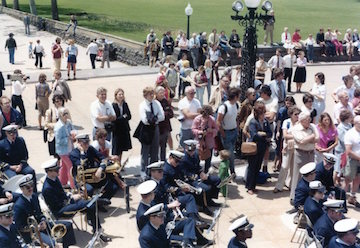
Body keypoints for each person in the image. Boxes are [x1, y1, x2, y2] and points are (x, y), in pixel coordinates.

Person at [41, 158, 112, 242]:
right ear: (49, 171)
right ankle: (97, 203)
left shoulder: (54, 178)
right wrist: (72, 198)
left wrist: (72, 195)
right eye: (56, 170)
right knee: (89, 204)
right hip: (60, 210)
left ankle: (97, 230)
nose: (58, 171)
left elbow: (62, 193)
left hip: (66, 203)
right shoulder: (47, 188)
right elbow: (58, 205)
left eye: (58, 169)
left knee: (90, 205)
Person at [14, 174, 76, 247]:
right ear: (22, 189)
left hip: (42, 225)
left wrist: (43, 220)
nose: (31, 188)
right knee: (52, 244)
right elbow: (19, 227)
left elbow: (39, 213)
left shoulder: (34, 196)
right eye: (27, 187)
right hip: (32, 233)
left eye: (31, 185)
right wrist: (36, 228)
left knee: (67, 225)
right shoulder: (19, 206)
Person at [291, 112, 319, 202]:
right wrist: (312, 137)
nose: (309, 120)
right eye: (307, 119)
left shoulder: (313, 126)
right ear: (302, 120)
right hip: (301, 154)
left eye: (309, 118)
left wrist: (309, 139)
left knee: (310, 176)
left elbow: (317, 138)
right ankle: (294, 197)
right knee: (298, 176)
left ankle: (308, 196)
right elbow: (301, 141)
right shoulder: (296, 128)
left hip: (311, 153)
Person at [246, 101, 272, 195]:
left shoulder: (265, 122)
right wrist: (262, 135)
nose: (263, 115)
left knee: (257, 167)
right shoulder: (253, 122)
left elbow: (270, 133)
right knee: (252, 167)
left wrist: (263, 134)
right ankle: (249, 186)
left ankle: (254, 185)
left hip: (262, 147)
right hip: (254, 147)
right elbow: (254, 135)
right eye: (262, 113)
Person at [136, 86, 164, 173]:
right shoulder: (142, 105)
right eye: (149, 94)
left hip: (155, 128)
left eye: (152, 94)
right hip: (146, 130)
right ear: (145, 95)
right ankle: (143, 171)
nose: (152, 96)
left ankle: (154, 171)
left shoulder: (157, 104)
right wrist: (154, 118)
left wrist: (153, 118)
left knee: (155, 151)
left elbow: (162, 116)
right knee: (145, 151)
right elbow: (145, 120)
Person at [0, 125, 36, 189]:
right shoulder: (1, 144)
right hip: (9, 167)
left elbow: (25, 155)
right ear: (6, 133)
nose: (12, 135)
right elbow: (0, 161)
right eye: (10, 133)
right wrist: (10, 167)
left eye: (14, 133)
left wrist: (21, 165)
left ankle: (34, 193)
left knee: (31, 172)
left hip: (21, 165)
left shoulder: (20, 140)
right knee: (14, 179)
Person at [273, 106, 300, 193]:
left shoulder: (300, 123)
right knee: (284, 166)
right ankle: (279, 185)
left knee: (293, 167)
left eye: (298, 114)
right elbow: (285, 135)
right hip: (287, 146)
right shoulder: (286, 122)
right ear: (291, 115)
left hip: (296, 147)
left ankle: (290, 184)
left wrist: (292, 136)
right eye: (295, 114)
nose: (297, 116)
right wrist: (295, 136)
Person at [217, 87, 240, 175]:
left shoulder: (236, 105)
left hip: (234, 131)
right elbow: (218, 122)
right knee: (230, 154)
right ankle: (232, 171)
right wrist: (223, 134)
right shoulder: (223, 107)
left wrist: (237, 129)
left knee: (230, 152)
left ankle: (227, 171)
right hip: (226, 133)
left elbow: (236, 118)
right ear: (235, 96)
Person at [192, 105, 218, 173]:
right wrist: (200, 132)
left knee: (208, 160)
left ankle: (206, 174)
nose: (206, 116)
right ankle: (197, 173)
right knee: (197, 159)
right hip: (199, 143)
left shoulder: (212, 119)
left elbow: (216, 129)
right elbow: (193, 129)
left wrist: (211, 130)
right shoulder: (197, 119)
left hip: (209, 143)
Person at [54, 107, 76, 189]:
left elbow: (73, 129)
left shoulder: (68, 122)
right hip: (62, 151)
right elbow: (59, 141)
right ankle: (73, 186)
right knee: (70, 167)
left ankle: (62, 182)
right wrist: (69, 138)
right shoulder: (58, 127)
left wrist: (74, 134)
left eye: (67, 113)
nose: (66, 115)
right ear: (60, 115)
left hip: (70, 148)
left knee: (63, 166)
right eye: (64, 114)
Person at [344, 115, 360, 208]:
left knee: (357, 180)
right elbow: (348, 151)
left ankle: (352, 198)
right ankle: (341, 200)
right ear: (355, 123)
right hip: (352, 160)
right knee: (348, 180)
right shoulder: (350, 133)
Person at [112, 88, 132, 162]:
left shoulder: (125, 104)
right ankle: (116, 163)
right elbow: (115, 119)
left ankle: (119, 163)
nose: (121, 96)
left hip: (124, 129)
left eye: (122, 94)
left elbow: (129, 116)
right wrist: (123, 117)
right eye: (119, 94)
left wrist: (122, 118)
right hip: (117, 130)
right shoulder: (114, 105)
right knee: (116, 149)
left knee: (122, 148)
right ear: (116, 96)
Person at [333, 110, 352, 185]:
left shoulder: (349, 125)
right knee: (337, 168)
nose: (351, 118)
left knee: (343, 168)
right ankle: (334, 183)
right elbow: (343, 139)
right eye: (350, 117)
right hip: (340, 151)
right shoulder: (340, 127)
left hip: (346, 151)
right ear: (346, 118)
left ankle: (338, 182)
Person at [156, 86, 173, 161]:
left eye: (163, 92)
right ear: (156, 94)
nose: (162, 94)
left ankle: (163, 160)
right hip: (157, 127)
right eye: (160, 93)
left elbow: (171, 113)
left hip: (165, 127)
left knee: (163, 146)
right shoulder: (154, 103)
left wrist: (163, 114)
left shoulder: (165, 101)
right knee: (156, 146)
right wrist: (163, 114)